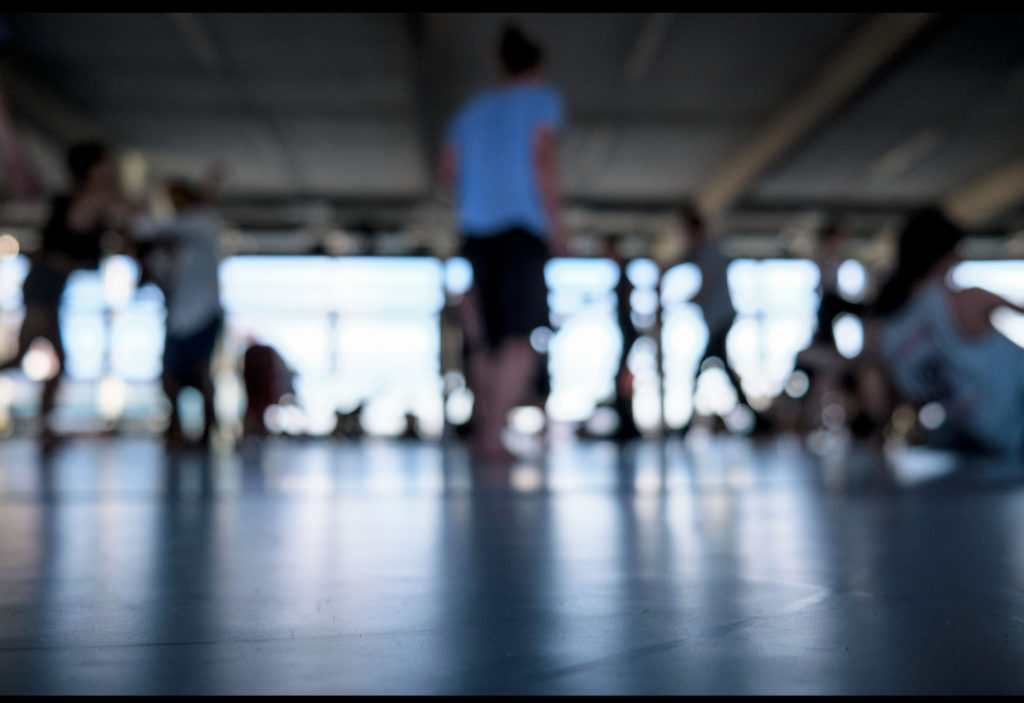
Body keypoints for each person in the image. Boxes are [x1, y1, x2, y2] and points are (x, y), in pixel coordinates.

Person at [438, 24, 568, 461]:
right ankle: (492, 436)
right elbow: (542, 161)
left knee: (485, 339)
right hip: (521, 230)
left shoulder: (470, 111)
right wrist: (557, 227)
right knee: (519, 338)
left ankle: (484, 431)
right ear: (535, 66)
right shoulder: (540, 99)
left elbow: (448, 172)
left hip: (477, 233)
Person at [0, 141, 129, 444]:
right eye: (105, 164)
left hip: (49, 287)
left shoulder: (81, 200)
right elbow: (130, 214)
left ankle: (45, 427)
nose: (111, 170)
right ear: (91, 170)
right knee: (25, 358)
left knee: (50, 360)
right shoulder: (92, 199)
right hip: (44, 286)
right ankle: (45, 427)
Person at [874, 206, 1024, 454]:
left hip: (978, 438)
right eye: (956, 252)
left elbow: (902, 397)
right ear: (944, 256)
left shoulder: (888, 333)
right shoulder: (965, 300)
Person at [133, 167, 224, 447]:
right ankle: (176, 427)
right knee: (170, 375)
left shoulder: (202, 225)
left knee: (200, 371)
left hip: (204, 314)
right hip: (177, 319)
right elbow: (154, 277)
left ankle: (208, 431)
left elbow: (148, 227)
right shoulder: (173, 244)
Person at [675, 205, 754, 435]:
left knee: (701, 368)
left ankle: (688, 424)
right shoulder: (700, 251)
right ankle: (756, 418)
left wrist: (684, 301)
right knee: (723, 368)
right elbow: (680, 261)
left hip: (721, 319)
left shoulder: (709, 250)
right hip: (717, 320)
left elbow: (706, 282)